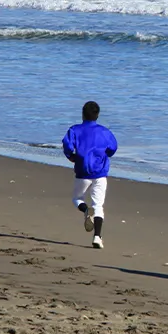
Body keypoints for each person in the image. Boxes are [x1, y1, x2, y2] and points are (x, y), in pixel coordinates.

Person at [62, 101, 118, 249]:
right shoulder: (104, 132)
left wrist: (72, 157)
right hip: (100, 172)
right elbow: (113, 148)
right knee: (98, 205)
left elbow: (67, 146)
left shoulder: (75, 130)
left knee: (77, 198)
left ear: (82, 114)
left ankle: (86, 210)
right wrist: (103, 155)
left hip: (82, 172)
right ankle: (97, 237)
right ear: (97, 115)